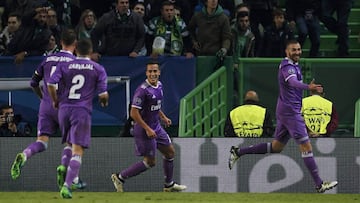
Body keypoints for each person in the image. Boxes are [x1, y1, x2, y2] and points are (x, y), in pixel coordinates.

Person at [228, 39, 338, 193]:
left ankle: (238, 152)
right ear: (287, 52)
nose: (298, 52)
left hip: (286, 110)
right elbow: (292, 82)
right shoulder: (287, 66)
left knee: (276, 147)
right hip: (290, 113)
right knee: (306, 146)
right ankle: (319, 184)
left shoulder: (294, 65)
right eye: (294, 50)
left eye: (299, 49)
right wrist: (308, 87)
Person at [10, 29, 86, 190]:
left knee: (42, 142)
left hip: (45, 105)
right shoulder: (75, 62)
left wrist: (42, 98)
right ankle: (67, 174)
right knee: (71, 143)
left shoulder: (47, 59)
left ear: (60, 43)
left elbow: (33, 83)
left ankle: (24, 155)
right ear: (76, 44)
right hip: (64, 106)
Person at [111, 60, 186, 192]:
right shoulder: (142, 91)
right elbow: (133, 113)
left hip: (156, 126)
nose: (153, 74)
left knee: (170, 152)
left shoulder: (160, 85)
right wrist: (147, 128)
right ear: (146, 73)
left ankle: (169, 184)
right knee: (150, 162)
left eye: (155, 71)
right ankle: (119, 177)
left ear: (159, 72)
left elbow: (155, 105)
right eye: (150, 71)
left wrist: (163, 117)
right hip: (144, 130)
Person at [47, 38, 109, 199]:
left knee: (70, 143)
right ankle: (68, 185)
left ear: (76, 51)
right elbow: (103, 95)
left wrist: (54, 100)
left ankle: (63, 166)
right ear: (90, 51)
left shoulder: (65, 65)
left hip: (64, 109)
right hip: (81, 110)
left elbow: (50, 84)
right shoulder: (97, 68)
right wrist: (104, 102)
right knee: (78, 149)